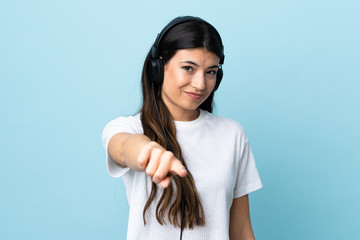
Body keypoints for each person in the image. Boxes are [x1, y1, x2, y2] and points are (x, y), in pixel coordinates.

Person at [102, 16, 263, 240]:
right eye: (188, 68)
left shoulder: (232, 134)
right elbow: (123, 147)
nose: (200, 84)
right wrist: (147, 151)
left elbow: (241, 230)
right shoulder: (128, 127)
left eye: (211, 72)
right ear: (158, 67)